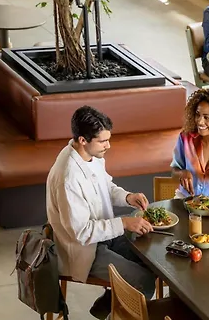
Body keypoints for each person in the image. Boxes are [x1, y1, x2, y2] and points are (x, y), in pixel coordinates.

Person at [46, 106, 156, 320]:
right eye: (103, 141)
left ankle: (108, 304)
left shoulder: (91, 155)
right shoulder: (68, 178)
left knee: (151, 257)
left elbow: (106, 185)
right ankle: (114, 312)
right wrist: (124, 223)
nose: (108, 145)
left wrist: (127, 197)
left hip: (104, 236)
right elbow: (81, 232)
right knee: (144, 281)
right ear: (83, 140)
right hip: (83, 250)